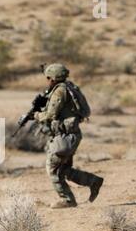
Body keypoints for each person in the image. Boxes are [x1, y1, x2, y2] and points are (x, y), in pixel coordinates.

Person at [30, 63, 104, 209]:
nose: (47, 80)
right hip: (69, 136)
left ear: (53, 78)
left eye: (48, 77)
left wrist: (36, 115)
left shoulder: (60, 91)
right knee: (63, 170)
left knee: (53, 169)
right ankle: (93, 181)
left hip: (65, 137)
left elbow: (51, 114)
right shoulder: (68, 86)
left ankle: (68, 200)